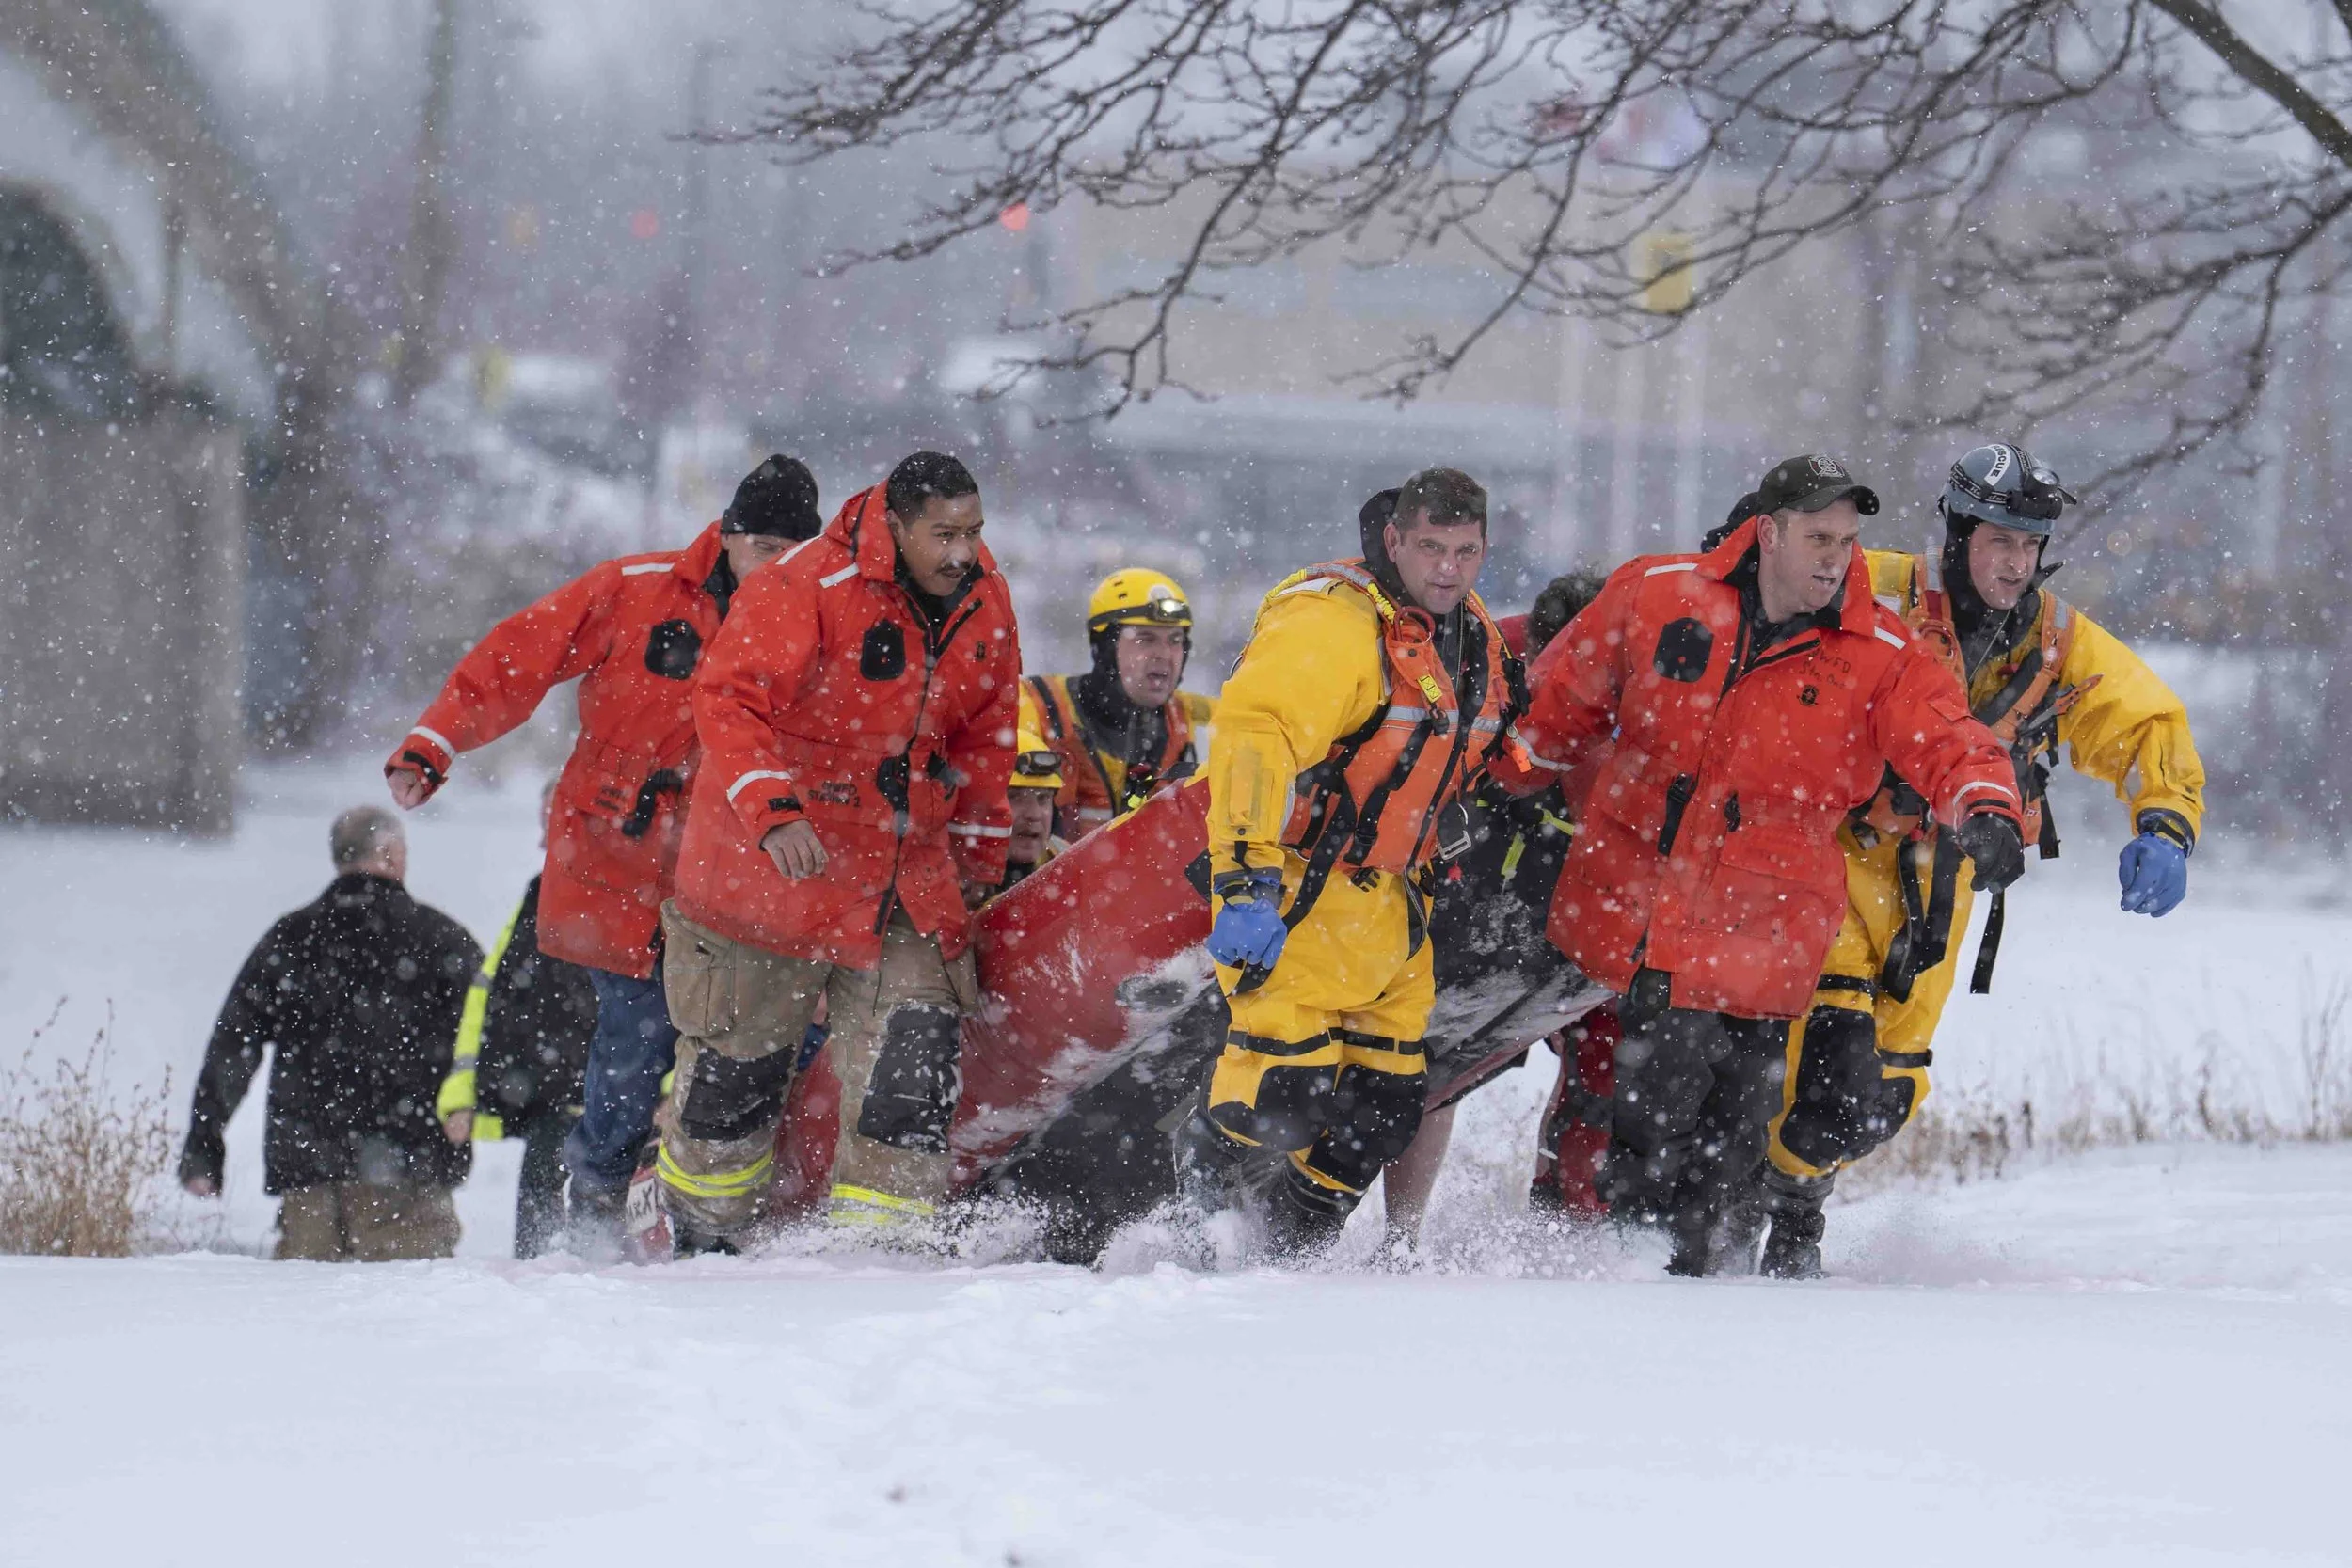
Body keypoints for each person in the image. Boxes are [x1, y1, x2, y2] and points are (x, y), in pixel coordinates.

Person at [1496, 453, 2025, 1275]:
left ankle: (1715, 1299)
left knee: (1736, 1136)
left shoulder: (1877, 650)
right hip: (1647, 913)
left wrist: (1986, 805)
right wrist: (1492, 790)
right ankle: (1618, 1283)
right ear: (1768, 532)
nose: (1834, 556)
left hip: (1771, 933)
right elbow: (1555, 710)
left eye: (1847, 540)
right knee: (1648, 1111)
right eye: (1818, 535)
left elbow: (1952, 739)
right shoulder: (1657, 594)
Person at [1753, 444, 2208, 1276]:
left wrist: (2164, 824)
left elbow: (2144, 720)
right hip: (1833, 860)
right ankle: (1776, 1221)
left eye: (2029, 546)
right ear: (1960, 532)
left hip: (1943, 889)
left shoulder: (2056, 640)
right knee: (1830, 1062)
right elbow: (1768, 584)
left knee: (1883, 1096)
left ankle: (1783, 1196)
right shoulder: (1872, 589)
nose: (2014, 562)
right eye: (1999, 540)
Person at [385, 455, 823, 1248]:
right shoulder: (636, 590)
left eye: (789, 552)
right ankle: (592, 1207)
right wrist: (434, 742)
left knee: (775, 1038)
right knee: (636, 1039)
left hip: (740, 877)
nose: (773, 568)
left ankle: (721, 1206)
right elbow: (519, 654)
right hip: (622, 868)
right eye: (761, 547)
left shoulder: (820, 618)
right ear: (728, 537)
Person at [658, 451, 1021, 1252]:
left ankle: (878, 1257)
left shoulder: (986, 599)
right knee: (737, 1075)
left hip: (904, 877)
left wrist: (979, 861)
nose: (963, 553)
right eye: (944, 534)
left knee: (912, 1069)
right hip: (774, 870)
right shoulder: (806, 585)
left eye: (974, 531)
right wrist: (774, 811)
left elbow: (989, 735)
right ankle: (701, 1240)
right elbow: (727, 696)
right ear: (895, 523)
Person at [1178, 467, 1515, 1254]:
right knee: (1275, 1093)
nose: (1447, 567)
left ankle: (1296, 1250)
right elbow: (1255, 739)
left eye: (1465, 551)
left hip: (1394, 908)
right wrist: (1243, 879)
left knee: (1387, 1110)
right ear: (1394, 539)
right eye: (1431, 546)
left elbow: (1486, 756)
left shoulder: (1476, 638)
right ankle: (1189, 1229)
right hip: (1299, 893)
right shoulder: (1332, 622)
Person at [1380, 566, 1610, 1249]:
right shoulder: (1478, 666)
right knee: (1417, 1050)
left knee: (1603, 1058)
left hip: (1580, 897)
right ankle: (1394, 1235)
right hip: (1468, 871)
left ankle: (1572, 1223)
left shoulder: (1647, 689)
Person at [179, 808, 480, 1261]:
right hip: (408, 1165)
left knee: (309, 1319)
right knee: (410, 1319)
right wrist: (480, 1108)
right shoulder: (439, 939)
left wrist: (204, 1145)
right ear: (390, 854)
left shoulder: (292, 937)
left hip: (308, 1171)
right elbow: (489, 1033)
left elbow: (233, 1045)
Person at [437, 788, 599, 1259]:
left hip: (616, 1106)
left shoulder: (627, 894)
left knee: (617, 1261)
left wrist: (665, 1090)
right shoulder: (540, 894)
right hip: (562, 1107)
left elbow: (660, 1004)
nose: (543, 840)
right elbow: (492, 1003)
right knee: (540, 1260)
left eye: (554, 826)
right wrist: (463, 1095)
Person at [1018, 568, 1216, 839]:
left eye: (1175, 641)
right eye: (1145, 639)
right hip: (1045, 880)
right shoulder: (1033, 708)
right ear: (1105, 648)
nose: (1163, 655)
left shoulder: (1203, 724)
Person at [1000, 726, 1072, 890]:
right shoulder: (946, 875)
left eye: (1043, 798)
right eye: (1015, 797)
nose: (1034, 814)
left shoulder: (1069, 863)